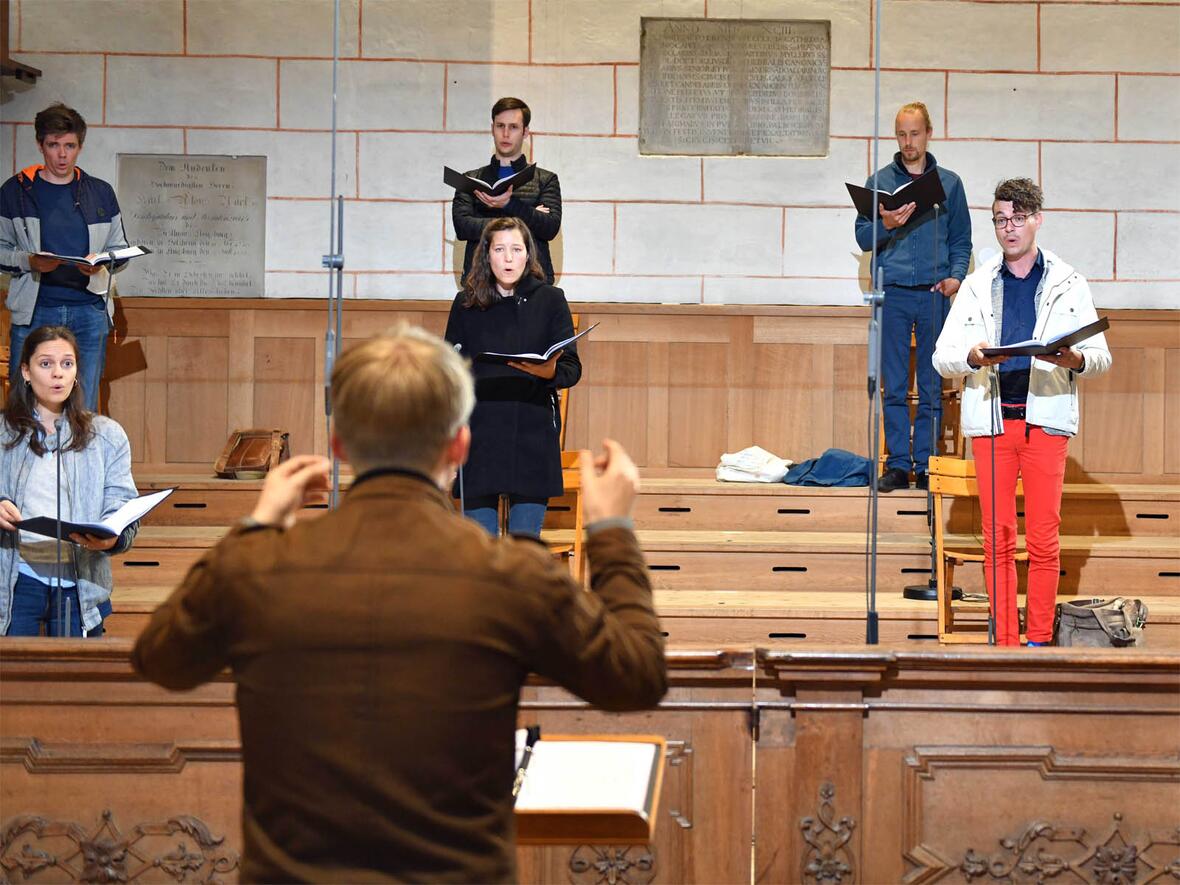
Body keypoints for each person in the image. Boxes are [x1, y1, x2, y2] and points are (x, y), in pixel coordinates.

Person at [131, 324, 666, 883]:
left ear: (339, 446)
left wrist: (257, 524)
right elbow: (637, 676)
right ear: (461, 443)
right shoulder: (511, 573)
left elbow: (159, 660)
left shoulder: (255, 565)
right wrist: (611, 529)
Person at [933, 178, 1111, 647]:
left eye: (1016, 218)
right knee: (996, 538)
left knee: (1044, 538)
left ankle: (1036, 641)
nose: (1008, 228)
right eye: (999, 219)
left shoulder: (1068, 281)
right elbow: (941, 356)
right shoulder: (976, 284)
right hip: (993, 423)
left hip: (1045, 422)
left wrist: (1073, 359)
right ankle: (1005, 643)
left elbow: (1100, 355)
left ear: (1036, 220)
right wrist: (972, 357)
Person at [855, 101, 972, 492]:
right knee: (893, 382)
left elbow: (961, 239)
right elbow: (861, 237)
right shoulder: (879, 181)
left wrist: (956, 277)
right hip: (893, 293)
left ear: (928, 133)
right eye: (902, 134)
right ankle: (898, 465)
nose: (908, 142)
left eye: (915, 133)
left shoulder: (949, 184)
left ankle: (925, 464)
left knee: (931, 385)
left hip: (934, 294)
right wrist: (884, 223)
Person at [445, 216, 580, 538]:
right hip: (478, 433)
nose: (508, 258)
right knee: (482, 549)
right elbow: (446, 372)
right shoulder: (466, 303)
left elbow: (572, 369)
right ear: (486, 254)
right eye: (500, 249)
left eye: (516, 249)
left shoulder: (550, 299)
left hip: (531, 431)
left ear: (528, 254)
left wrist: (550, 372)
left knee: (524, 548)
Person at [0, 326, 140, 637]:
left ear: (77, 371)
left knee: (76, 682)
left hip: (80, 583)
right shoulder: (3, 431)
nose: (57, 374)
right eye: (45, 364)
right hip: (15, 579)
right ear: (25, 371)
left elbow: (123, 507)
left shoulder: (106, 434)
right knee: (13, 682)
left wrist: (112, 537)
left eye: (67, 363)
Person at [0, 103, 131, 413]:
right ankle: (26, 463)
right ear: (40, 145)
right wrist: (30, 262)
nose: (61, 154)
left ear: (79, 147)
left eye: (69, 146)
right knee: (25, 407)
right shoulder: (16, 192)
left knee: (82, 408)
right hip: (35, 312)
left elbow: (121, 250)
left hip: (88, 311)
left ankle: (77, 462)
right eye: (53, 145)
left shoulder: (99, 192)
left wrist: (99, 263)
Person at [452, 96, 562, 284]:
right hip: (481, 281)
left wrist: (509, 203)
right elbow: (463, 227)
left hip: (532, 282)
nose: (505, 133)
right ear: (492, 129)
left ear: (525, 132)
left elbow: (549, 228)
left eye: (513, 127)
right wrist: (526, 216)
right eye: (500, 125)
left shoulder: (545, 179)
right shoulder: (470, 179)